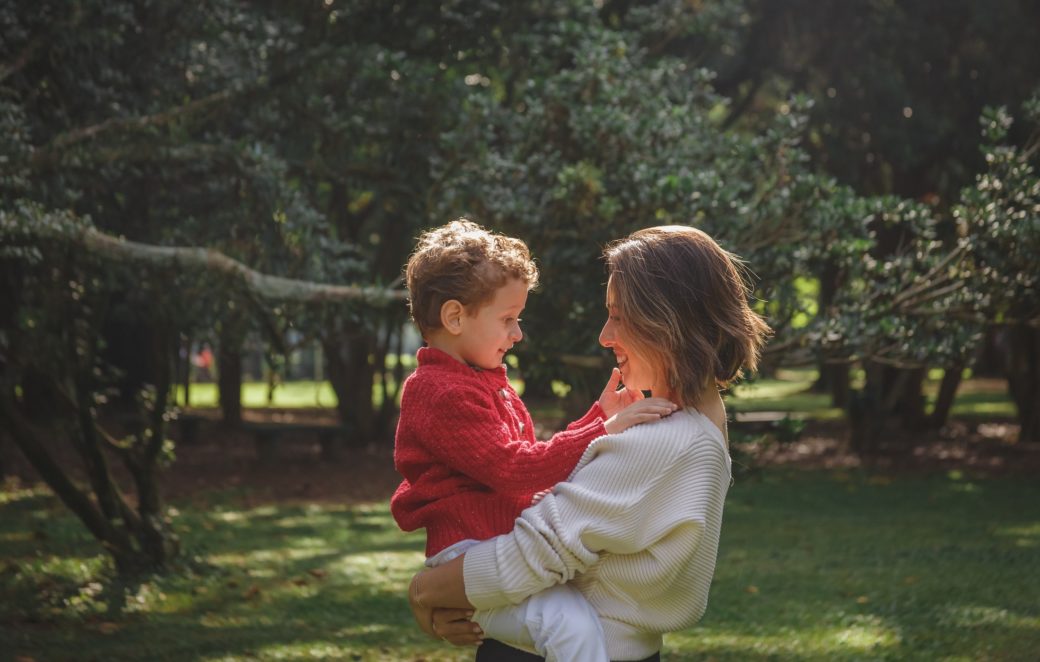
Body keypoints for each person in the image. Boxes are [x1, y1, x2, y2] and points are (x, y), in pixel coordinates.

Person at [406, 225, 772, 662]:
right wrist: (600, 422)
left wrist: (424, 592)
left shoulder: (664, 443)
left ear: (666, 320)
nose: (604, 335)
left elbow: (528, 556)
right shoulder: (703, 427)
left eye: (619, 315)